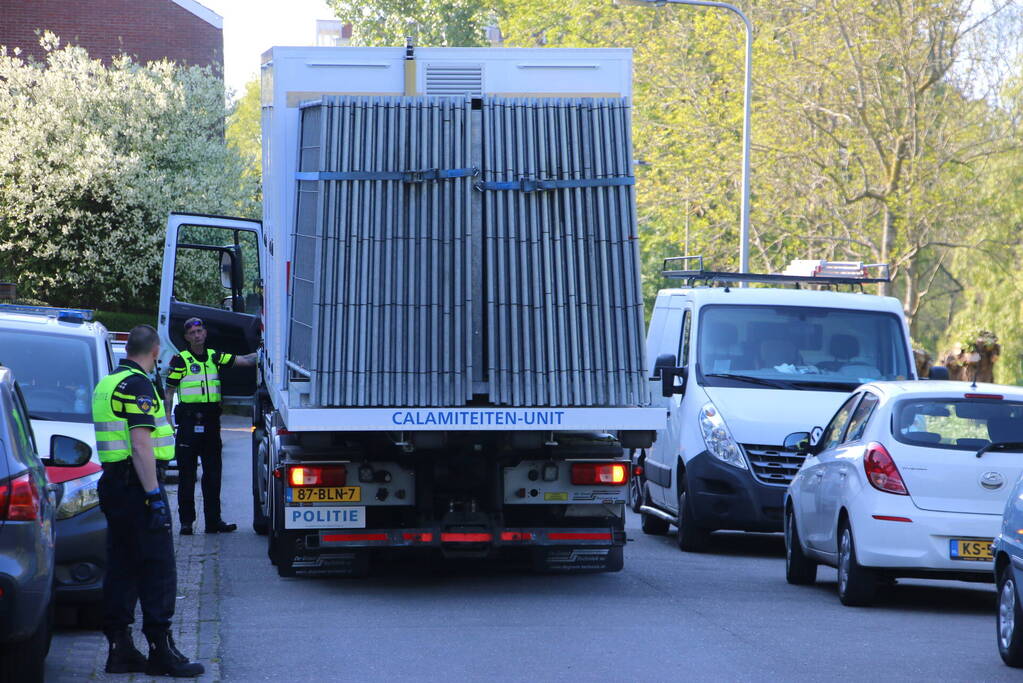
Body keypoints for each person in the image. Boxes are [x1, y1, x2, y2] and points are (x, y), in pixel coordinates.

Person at [92, 325, 203, 677]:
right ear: (155, 351)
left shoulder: (107, 382)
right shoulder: (139, 385)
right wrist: (154, 495)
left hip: (114, 485)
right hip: (137, 486)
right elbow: (141, 444)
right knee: (157, 567)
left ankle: (119, 648)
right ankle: (161, 650)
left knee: (122, 566)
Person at [165, 317, 257, 535]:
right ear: (187, 337)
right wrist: (168, 421)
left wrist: (264, 353)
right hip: (188, 422)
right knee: (187, 475)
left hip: (211, 422)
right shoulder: (181, 360)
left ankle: (213, 522)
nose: (197, 335)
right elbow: (168, 392)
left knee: (213, 474)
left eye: (200, 331)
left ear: (205, 333)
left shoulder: (215, 356)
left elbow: (244, 361)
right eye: (192, 333)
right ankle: (187, 522)